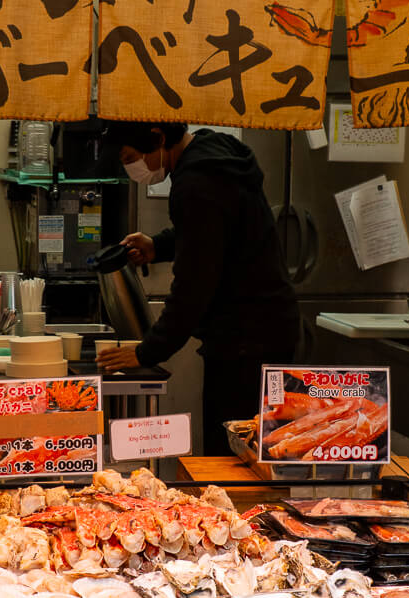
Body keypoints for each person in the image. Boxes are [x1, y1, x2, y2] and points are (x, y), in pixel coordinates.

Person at [97, 121, 299, 453]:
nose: (129, 167)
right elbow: (211, 234)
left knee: (237, 455)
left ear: (158, 137)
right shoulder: (212, 152)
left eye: (130, 157)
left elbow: (193, 286)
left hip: (246, 342)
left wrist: (146, 351)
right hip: (267, 330)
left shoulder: (196, 182)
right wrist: (158, 246)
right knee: (261, 449)